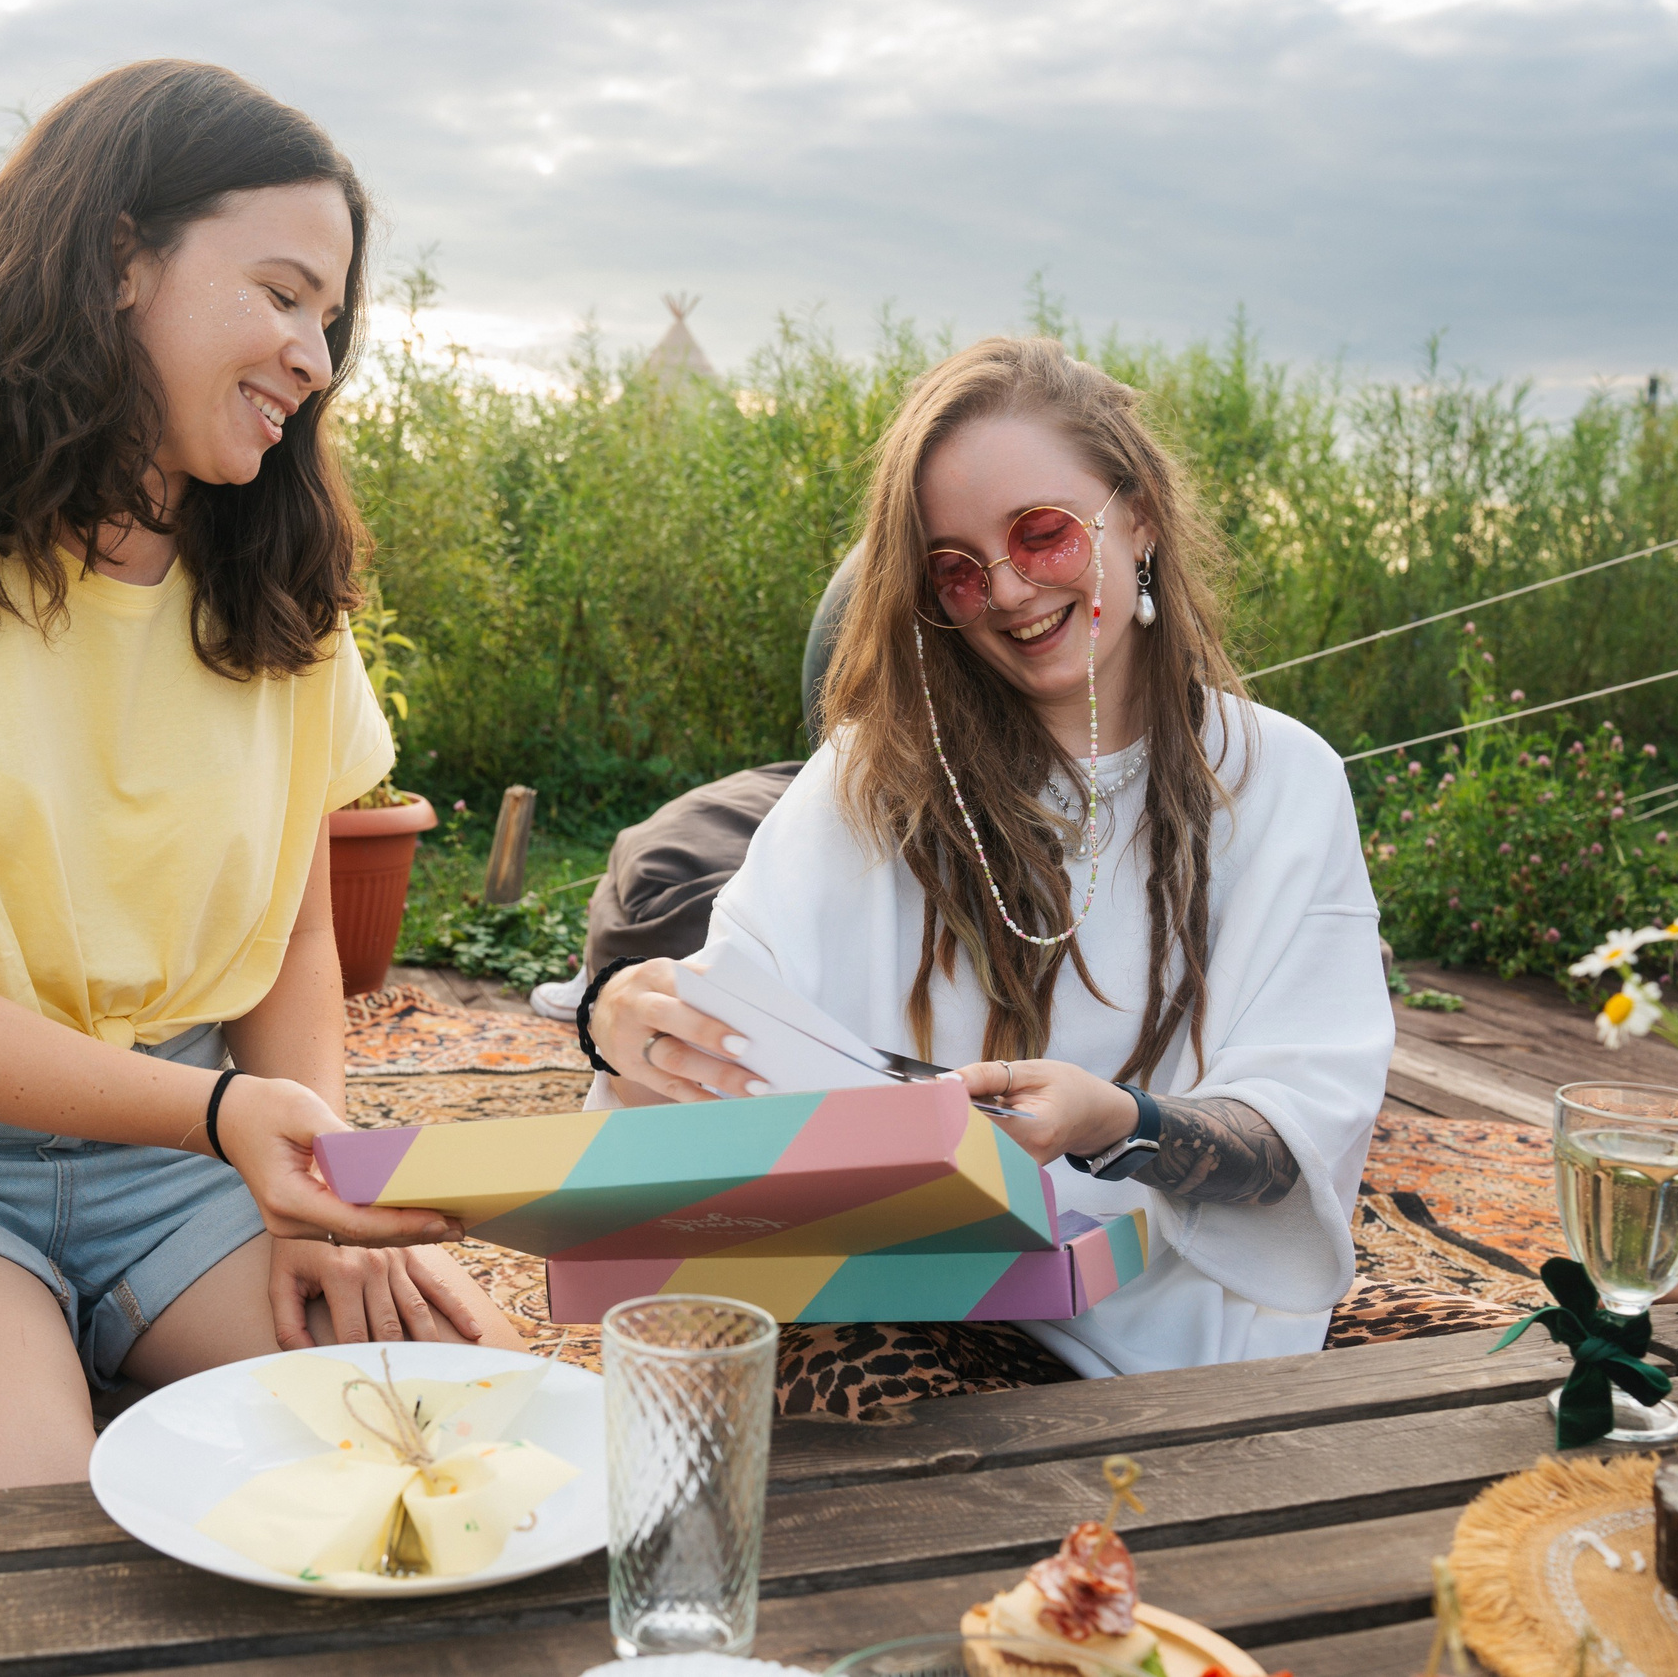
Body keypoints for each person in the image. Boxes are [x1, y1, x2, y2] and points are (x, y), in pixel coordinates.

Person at [0, 62, 522, 1502]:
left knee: (479, 1466)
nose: (314, 356)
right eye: (279, 293)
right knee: (9, 1557)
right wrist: (217, 1124)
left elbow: (298, 932)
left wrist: (314, 1181)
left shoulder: (275, 578)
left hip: (189, 1154)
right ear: (119, 255)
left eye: (328, 319)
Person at [585, 336, 1394, 1377]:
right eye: (958, 571)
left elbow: (1298, 1133)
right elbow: (732, 1022)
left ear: (1137, 512)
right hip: (894, 1297)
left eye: (1042, 534)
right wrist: (619, 1023)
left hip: (1171, 1334)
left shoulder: (1280, 780)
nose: (1008, 592)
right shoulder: (869, 779)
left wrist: (1119, 1122)